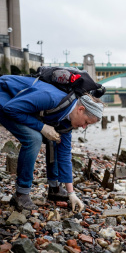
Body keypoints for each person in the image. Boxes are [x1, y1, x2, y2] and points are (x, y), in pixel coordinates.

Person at [0, 74, 104, 212]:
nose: (84, 127)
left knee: (55, 137)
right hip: (5, 96)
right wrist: (42, 127)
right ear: (80, 109)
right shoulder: (51, 97)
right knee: (34, 138)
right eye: (86, 122)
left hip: (16, 105)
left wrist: (71, 193)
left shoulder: (66, 123)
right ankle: (21, 194)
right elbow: (10, 108)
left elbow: (65, 154)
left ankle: (54, 188)